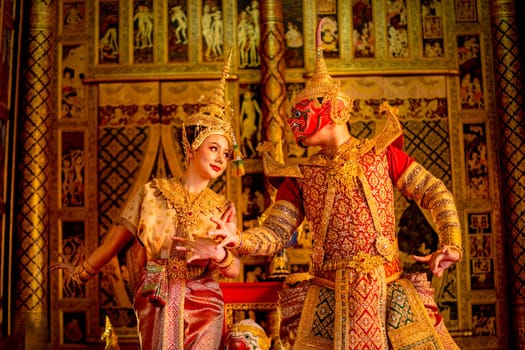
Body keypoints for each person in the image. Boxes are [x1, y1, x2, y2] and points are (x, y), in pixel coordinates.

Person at [213, 18, 462, 350]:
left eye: (302, 111)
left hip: (389, 293)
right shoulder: (301, 176)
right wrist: (238, 239)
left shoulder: (381, 155)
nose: (294, 121)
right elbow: (275, 232)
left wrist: (452, 242)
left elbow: (434, 191)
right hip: (330, 299)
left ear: (333, 109)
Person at [51, 52, 244, 350]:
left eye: (226, 153)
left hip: (205, 299)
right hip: (158, 294)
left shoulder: (221, 206)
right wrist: (83, 270)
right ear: (192, 148)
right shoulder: (153, 192)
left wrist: (219, 255)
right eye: (213, 148)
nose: (221, 158)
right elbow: (116, 239)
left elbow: (233, 269)